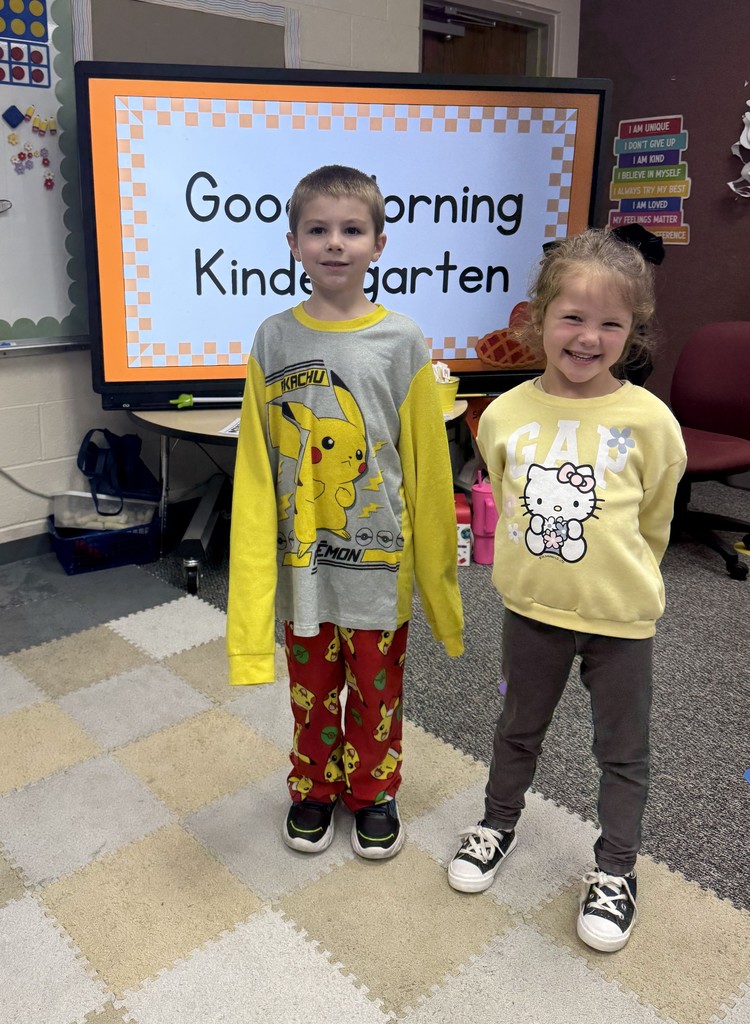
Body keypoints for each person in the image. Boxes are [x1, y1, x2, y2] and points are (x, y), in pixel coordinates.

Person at [447, 228, 686, 952]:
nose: (588, 337)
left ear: (632, 331)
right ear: (538, 317)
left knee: (622, 750)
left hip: (620, 618)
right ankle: (496, 824)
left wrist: (620, 580)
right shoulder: (508, 414)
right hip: (531, 611)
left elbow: (655, 522)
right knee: (517, 728)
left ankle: (616, 869)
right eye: (572, 318)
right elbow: (507, 495)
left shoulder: (650, 421)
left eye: (610, 323)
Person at [227, 164, 464, 861]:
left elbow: (425, 467)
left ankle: (373, 793)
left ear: (379, 244)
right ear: (293, 243)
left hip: (378, 569)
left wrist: (438, 587)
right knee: (312, 690)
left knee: (375, 692)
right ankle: (313, 786)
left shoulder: (404, 341)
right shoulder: (272, 340)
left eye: (351, 230)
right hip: (304, 568)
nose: (335, 243)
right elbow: (254, 466)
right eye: (319, 230)